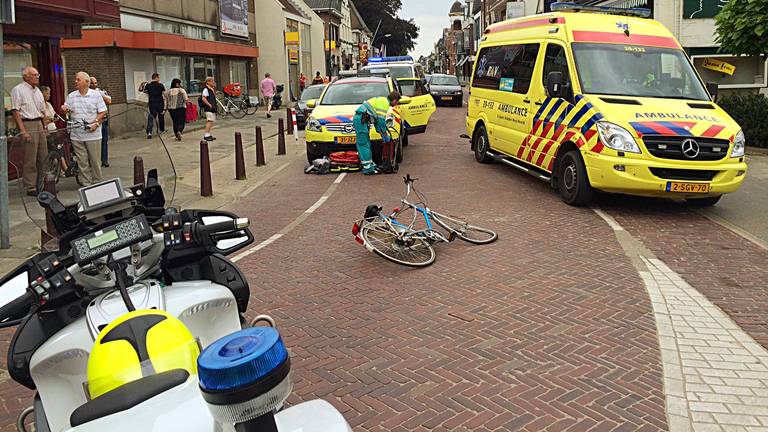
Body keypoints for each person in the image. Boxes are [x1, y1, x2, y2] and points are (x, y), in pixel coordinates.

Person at [62, 71, 107, 186]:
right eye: (75, 79)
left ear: (86, 82)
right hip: (76, 134)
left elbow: (103, 111)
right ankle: (86, 183)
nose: (75, 81)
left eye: (78, 80)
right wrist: (64, 109)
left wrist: (95, 123)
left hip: (93, 134)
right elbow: (66, 109)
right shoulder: (71, 96)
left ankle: (97, 182)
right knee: (82, 161)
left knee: (95, 161)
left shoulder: (96, 95)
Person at [10, 67, 47, 196]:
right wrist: (23, 130)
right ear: (26, 77)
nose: (37, 77)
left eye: (38, 74)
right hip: (28, 123)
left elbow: (43, 110)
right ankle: (31, 186)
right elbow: (15, 111)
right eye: (34, 75)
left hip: (39, 123)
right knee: (30, 156)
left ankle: (43, 183)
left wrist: (45, 126)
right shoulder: (18, 90)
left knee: (43, 155)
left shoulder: (37, 91)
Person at [353, 91, 400, 175]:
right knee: (363, 144)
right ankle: (368, 168)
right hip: (361, 119)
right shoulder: (384, 104)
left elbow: (378, 122)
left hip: (363, 120)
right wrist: (385, 135)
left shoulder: (383, 100)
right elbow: (381, 122)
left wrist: (382, 133)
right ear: (394, 100)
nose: (396, 104)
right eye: (397, 102)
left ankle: (371, 165)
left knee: (367, 143)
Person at [89, 77, 112, 167]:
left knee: (104, 140)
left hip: (102, 120)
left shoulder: (101, 92)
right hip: (93, 120)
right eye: (92, 83)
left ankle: (104, 160)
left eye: (95, 83)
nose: (94, 85)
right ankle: (94, 161)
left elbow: (109, 101)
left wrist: (99, 94)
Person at [144, 73, 166, 139]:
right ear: (156, 78)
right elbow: (164, 94)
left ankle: (149, 132)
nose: (159, 79)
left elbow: (144, 92)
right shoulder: (160, 85)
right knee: (161, 116)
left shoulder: (148, 85)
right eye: (159, 77)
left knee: (151, 117)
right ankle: (161, 130)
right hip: (160, 103)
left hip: (152, 103)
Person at [200, 77, 217, 142]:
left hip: (212, 107)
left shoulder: (211, 89)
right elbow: (203, 98)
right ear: (208, 82)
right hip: (208, 108)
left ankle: (208, 134)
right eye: (212, 81)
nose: (213, 82)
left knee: (211, 121)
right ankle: (206, 135)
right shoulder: (206, 89)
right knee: (209, 120)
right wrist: (209, 104)